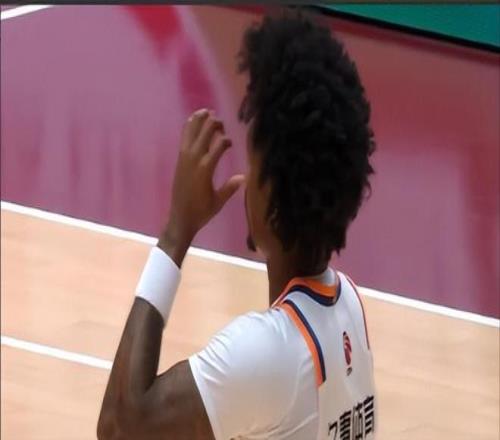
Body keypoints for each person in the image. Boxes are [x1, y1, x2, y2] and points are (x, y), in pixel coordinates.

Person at [98, 9, 376, 440]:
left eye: (254, 168)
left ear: (275, 198)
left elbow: (120, 427)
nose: (244, 182)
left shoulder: (270, 352)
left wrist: (176, 233)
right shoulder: (349, 307)